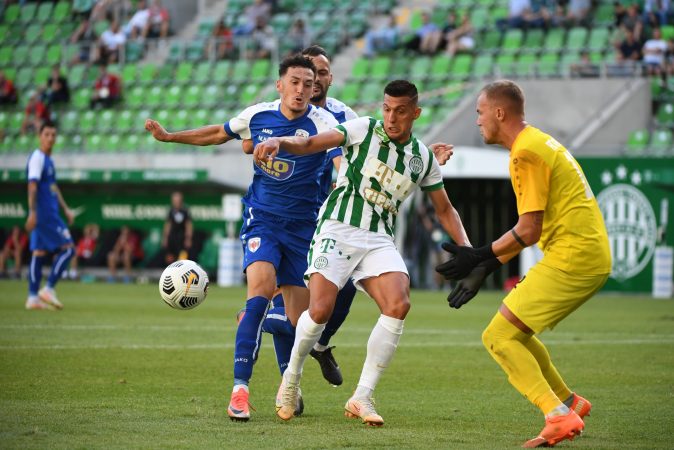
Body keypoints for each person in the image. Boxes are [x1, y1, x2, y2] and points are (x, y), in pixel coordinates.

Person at [254, 79, 471, 426]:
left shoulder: (423, 158)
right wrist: (280, 141)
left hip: (378, 239)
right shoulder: (363, 128)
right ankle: (291, 379)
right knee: (320, 310)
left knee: (399, 304)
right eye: (387, 109)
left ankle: (362, 396)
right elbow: (310, 143)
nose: (391, 117)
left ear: (415, 113)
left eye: (401, 111)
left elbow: (445, 210)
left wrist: (469, 250)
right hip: (338, 228)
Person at [145, 54, 340, 422]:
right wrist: (170, 137)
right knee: (260, 294)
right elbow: (218, 134)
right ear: (280, 85)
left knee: (299, 323)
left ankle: (287, 377)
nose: (301, 90)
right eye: (294, 82)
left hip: (304, 229)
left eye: (308, 84)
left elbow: (341, 161)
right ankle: (240, 391)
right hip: (262, 220)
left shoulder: (324, 123)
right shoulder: (258, 116)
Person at [435, 80, 611, 448]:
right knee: (516, 332)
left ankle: (557, 416)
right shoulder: (537, 142)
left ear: (499, 113)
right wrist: (486, 266)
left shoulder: (526, 153)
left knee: (497, 337)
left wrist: (480, 255)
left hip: (574, 258)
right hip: (581, 254)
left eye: (480, 112)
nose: (477, 120)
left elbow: (529, 229)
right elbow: (533, 228)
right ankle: (569, 403)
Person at [25, 123, 75, 310]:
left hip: (47, 212)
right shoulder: (37, 158)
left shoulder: (48, 160)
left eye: (53, 135)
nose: (50, 138)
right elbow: (32, 186)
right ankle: (49, 288)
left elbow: (53, 188)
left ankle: (32, 298)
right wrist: (32, 212)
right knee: (69, 249)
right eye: (47, 134)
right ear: (40, 136)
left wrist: (66, 209)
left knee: (38, 252)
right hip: (45, 213)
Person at [162, 192, 193, 264]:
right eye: (174, 200)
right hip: (172, 237)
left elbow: (188, 225)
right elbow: (168, 225)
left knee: (182, 257)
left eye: (177, 200)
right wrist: (165, 238)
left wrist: (188, 238)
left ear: (181, 201)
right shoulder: (171, 210)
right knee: (169, 257)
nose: (176, 202)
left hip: (182, 237)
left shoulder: (185, 210)